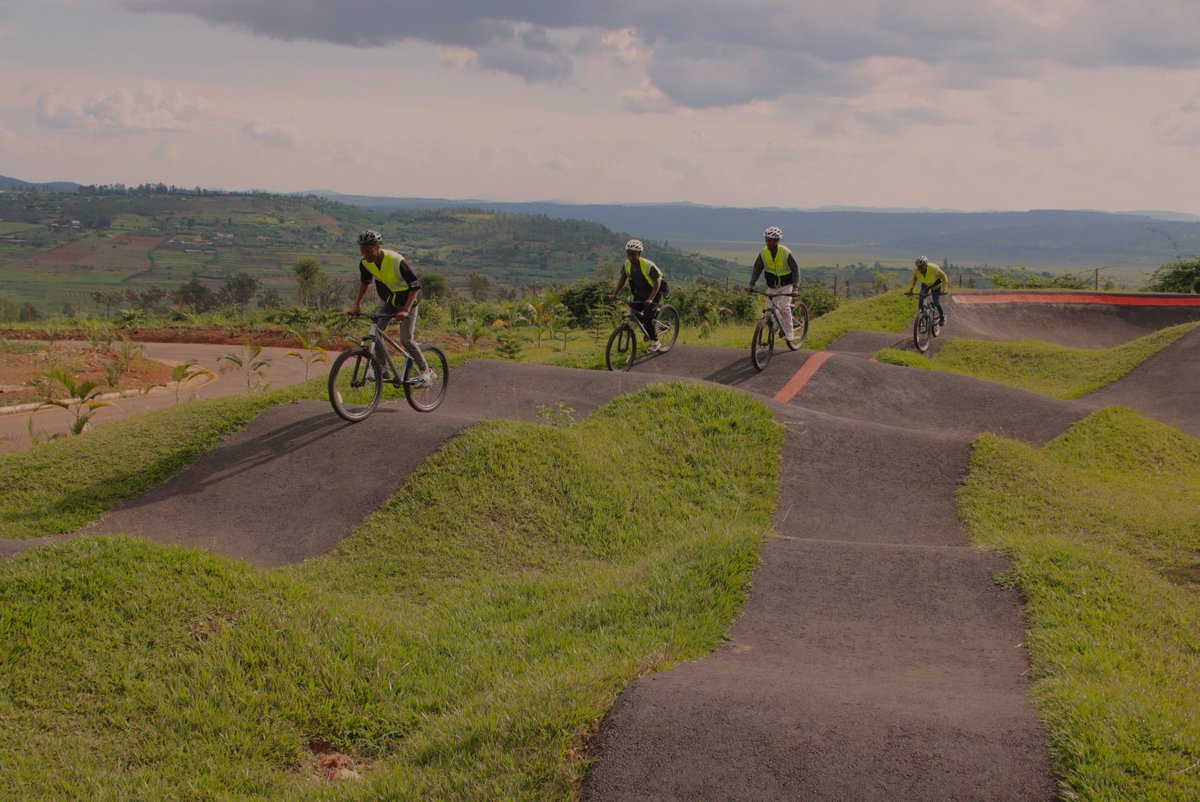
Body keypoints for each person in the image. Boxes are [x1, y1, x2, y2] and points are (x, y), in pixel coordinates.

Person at [348, 229, 435, 386]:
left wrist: (406, 310)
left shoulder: (396, 261)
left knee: (406, 340)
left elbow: (415, 287)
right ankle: (381, 369)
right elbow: (364, 283)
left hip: (408, 302)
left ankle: (426, 370)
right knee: (375, 333)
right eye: (362, 250)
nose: (365, 254)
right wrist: (356, 304)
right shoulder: (365, 263)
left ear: (377, 247)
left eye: (368, 250)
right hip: (388, 301)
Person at [744, 226, 801, 346]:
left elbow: (795, 269)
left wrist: (795, 288)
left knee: (784, 307)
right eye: (766, 240)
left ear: (776, 241)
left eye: (770, 241)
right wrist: (751, 284)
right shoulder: (763, 253)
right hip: (772, 286)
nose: (767, 243)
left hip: (787, 285)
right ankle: (778, 325)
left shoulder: (785, 252)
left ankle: (789, 333)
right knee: (771, 310)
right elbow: (757, 269)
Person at [608, 239, 666, 351]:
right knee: (632, 313)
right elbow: (622, 279)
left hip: (653, 293)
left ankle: (655, 341)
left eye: (633, 254)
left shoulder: (648, 265)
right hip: (639, 293)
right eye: (628, 254)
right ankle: (649, 327)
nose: (630, 257)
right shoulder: (627, 265)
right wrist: (615, 293)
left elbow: (657, 282)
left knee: (647, 319)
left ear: (639, 253)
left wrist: (651, 299)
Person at [905, 256, 950, 326]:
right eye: (918, 267)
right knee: (921, 300)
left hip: (936, 284)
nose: (920, 269)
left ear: (926, 266)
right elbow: (914, 280)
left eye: (922, 267)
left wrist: (944, 290)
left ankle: (942, 317)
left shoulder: (934, 269)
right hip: (925, 284)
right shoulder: (916, 271)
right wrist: (911, 289)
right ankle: (922, 318)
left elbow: (944, 277)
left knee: (936, 302)